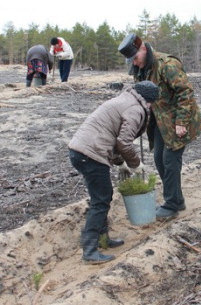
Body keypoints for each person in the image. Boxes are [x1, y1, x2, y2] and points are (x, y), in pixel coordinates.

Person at [68, 80, 159, 264]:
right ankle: (90, 250)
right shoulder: (136, 109)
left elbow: (113, 135)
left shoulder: (126, 98)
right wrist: (135, 164)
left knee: (102, 196)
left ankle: (103, 239)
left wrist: (120, 163)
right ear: (150, 102)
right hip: (91, 153)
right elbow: (124, 142)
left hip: (80, 150)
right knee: (101, 201)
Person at [118, 33, 201, 220]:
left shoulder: (166, 64)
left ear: (142, 48)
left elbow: (186, 93)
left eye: (135, 58)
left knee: (170, 160)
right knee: (158, 158)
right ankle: (177, 199)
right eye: (131, 61)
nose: (134, 63)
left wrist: (181, 122)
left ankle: (172, 204)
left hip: (179, 119)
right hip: (159, 121)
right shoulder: (140, 69)